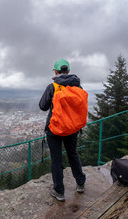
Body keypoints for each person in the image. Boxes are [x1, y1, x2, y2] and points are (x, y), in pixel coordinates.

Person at [39, 58, 86, 202]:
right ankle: (80, 183)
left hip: (55, 129)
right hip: (72, 128)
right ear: (69, 71)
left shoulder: (53, 87)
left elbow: (42, 106)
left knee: (57, 159)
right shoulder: (78, 87)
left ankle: (59, 191)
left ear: (55, 71)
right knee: (73, 154)